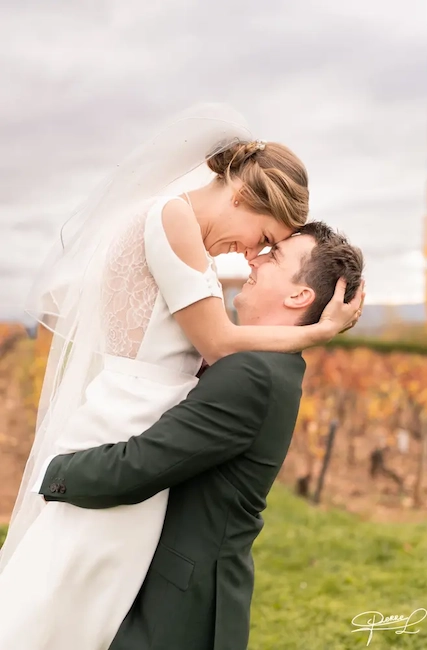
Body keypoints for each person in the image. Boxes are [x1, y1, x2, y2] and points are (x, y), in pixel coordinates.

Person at [0, 105, 361, 650]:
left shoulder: (248, 349)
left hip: (131, 443)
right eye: (260, 237)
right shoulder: (173, 220)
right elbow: (215, 342)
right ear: (240, 197)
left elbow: (212, 348)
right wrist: (313, 334)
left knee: (73, 608)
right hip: (122, 431)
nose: (250, 256)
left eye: (268, 250)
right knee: (59, 610)